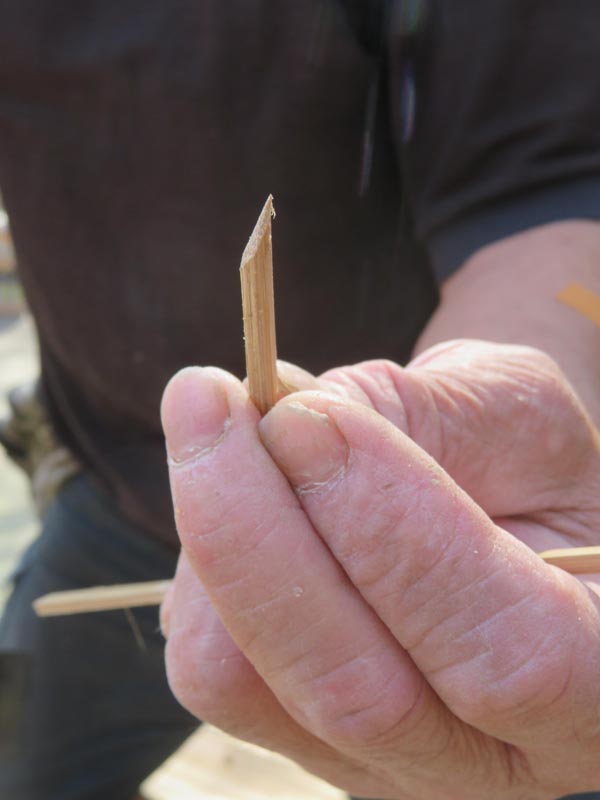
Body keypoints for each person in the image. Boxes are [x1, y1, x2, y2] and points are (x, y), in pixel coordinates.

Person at [1, 1, 599, 799]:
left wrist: (499, 401)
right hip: (110, 495)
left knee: (531, 728)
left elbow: (550, 193)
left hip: (439, 530)